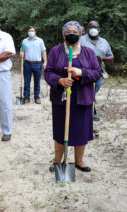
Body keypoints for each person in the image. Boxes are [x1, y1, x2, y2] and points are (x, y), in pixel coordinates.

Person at [44, 21, 101, 172]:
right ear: (64, 34)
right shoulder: (56, 51)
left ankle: (79, 161)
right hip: (61, 96)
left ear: (81, 34)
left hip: (83, 97)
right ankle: (57, 160)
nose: (72, 34)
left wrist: (80, 72)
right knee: (60, 129)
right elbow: (48, 72)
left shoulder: (88, 52)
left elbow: (97, 73)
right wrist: (60, 80)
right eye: (69, 31)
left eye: (75, 32)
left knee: (81, 129)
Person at [80, 21, 114, 120]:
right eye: (91, 27)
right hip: (84, 71)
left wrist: (102, 58)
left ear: (99, 29)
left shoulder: (104, 42)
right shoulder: (81, 40)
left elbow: (111, 58)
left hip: (99, 71)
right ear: (88, 28)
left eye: (95, 27)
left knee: (95, 88)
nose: (93, 29)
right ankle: (92, 110)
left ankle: (89, 105)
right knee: (88, 89)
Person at [20, 26, 47, 104]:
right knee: (26, 81)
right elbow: (22, 51)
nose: (31, 32)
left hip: (37, 64)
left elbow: (43, 52)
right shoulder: (24, 41)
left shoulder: (40, 41)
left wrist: (45, 62)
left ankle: (37, 97)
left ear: (35, 32)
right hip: (27, 63)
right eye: (29, 31)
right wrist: (21, 53)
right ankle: (26, 97)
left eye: (32, 30)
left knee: (37, 81)